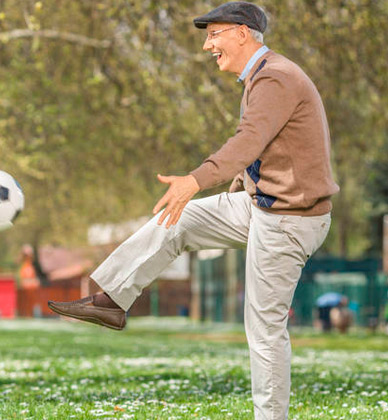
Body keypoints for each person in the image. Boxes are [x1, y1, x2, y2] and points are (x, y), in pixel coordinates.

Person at [48, 2, 337, 419]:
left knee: (264, 328)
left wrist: (196, 180)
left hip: (291, 219)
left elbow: (249, 141)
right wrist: (235, 187)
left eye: (213, 34)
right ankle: (111, 299)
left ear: (242, 33)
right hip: (263, 207)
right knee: (178, 218)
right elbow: (268, 150)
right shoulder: (263, 76)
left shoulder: (275, 77)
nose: (206, 45)